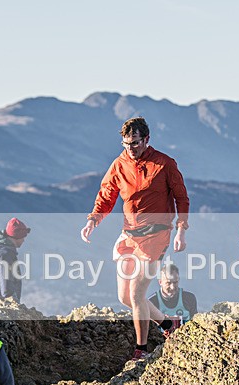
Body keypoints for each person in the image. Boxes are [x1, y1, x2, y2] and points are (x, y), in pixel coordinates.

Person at [80, 117, 190, 360]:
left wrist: (181, 229)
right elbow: (106, 196)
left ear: (146, 140)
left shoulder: (165, 164)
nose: (131, 148)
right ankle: (169, 324)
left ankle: (141, 350)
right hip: (129, 235)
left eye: (135, 143)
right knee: (125, 297)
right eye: (126, 143)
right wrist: (93, 220)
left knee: (138, 293)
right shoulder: (119, 164)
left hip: (157, 235)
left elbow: (182, 199)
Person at [0, 217, 30, 302]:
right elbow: (6, 283)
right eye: (23, 237)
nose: (23, 240)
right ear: (16, 236)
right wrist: (12, 301)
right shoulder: (5, 254)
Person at [148, 263, 197, 332]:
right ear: (160, 282)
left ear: (179, 280)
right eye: (168, 283)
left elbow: (197, 324)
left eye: (175, 282)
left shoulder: (189, 298)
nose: (172, 287)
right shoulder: (152, 303)